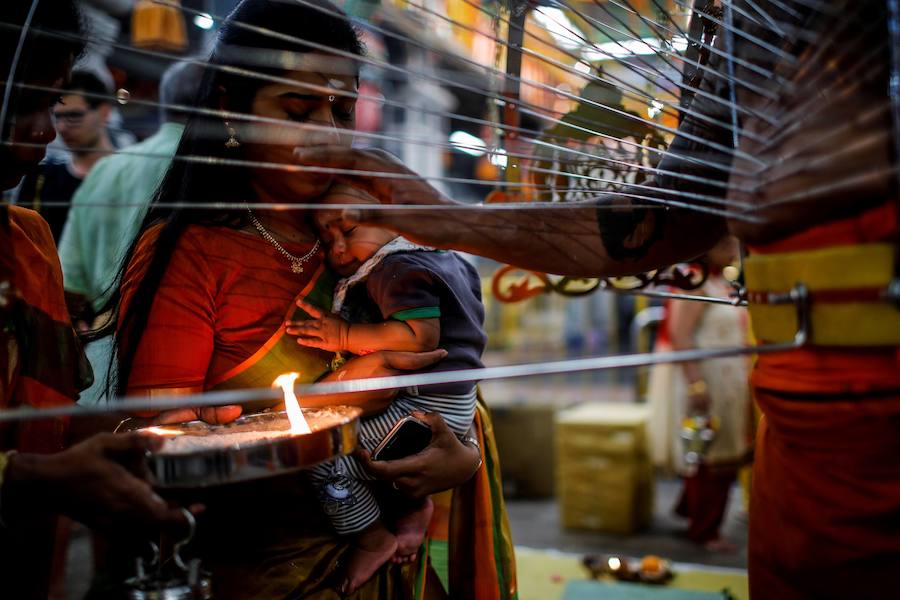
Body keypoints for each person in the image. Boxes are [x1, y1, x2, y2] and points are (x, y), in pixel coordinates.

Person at [292, 1, 900, 597]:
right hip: (806, 419)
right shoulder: (740, 22)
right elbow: (667, 217)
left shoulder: (401, 272)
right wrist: (449, 220)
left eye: (342, 109)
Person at [99, 2, 515, 598]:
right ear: (228, 108)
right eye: (298, 110)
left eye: (343, 110)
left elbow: (450, 371)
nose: (328, 132)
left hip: (404, 555)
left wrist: (462, 460)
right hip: (270, 568)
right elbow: (165, 450)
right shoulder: (193, 254)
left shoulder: (373, 236)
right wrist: (319, 420)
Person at [0, 3, 193, 598]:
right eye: (24, 107)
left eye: (50, 106)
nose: (40, 141)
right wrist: (34, 476)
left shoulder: (27, 240)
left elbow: (37, 413)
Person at [283, 184, 486, 593]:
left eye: (349, 230)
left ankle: (372, 538)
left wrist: (344, 336)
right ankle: (413, 510)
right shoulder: (451, 260)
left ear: (392, 219)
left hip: (425, 406)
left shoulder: (396, 269)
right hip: (457, 404)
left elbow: (419, 338)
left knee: (322, 455)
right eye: (326, 239)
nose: (337, 248)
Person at [58, 60, 202, 406]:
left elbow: (69, 286)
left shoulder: (106, 171)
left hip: (99, 372)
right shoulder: (210, 169)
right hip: (187, 372)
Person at [647, 236, 751, 550]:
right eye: (724, 244)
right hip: (707, 380)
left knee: (719, 451)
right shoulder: (693, 282)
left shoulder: (720, 282)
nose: (733, 249)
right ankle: (705, 529)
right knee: (709, 453)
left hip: (728, 381)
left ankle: (690, 511)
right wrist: (696, 384)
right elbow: (680, 336)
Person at [15, 70, 115, 242]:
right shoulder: (41, 175)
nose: (62, 127)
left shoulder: (127, 176)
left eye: (74, 115)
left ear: (104, 112)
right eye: (58, 116)